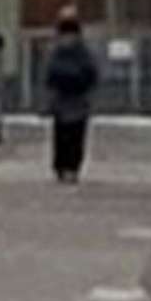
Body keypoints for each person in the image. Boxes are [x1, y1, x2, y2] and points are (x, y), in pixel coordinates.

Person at [44, 11, 100, 183]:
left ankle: (67, 166)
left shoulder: (65, 51)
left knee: (68, 135)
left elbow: (50, 75)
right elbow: (92, 74)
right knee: (69, 135)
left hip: (70, 101)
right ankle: (67, 166)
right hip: (70, 101)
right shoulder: (77, 51)